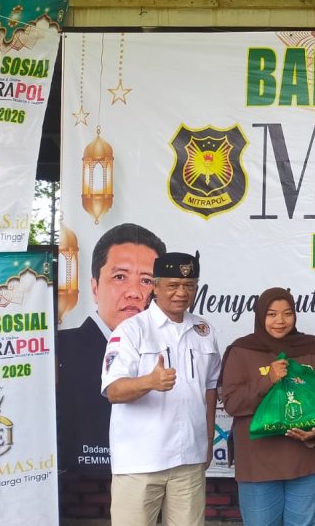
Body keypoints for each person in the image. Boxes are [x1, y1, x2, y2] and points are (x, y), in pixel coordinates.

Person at [101, 251, 221, 526]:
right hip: (140, 462)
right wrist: (149, 382)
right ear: (155, 286)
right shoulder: (131, 330)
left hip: (189, 460)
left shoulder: (204, 330)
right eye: (173, 285)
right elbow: (113, 391)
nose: (181, 293)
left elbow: (211, 387)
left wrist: (207, 440)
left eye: (189, 286)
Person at [219, 287, 315, 526]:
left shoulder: (314, 349)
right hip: (258, 462)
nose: (280, 321)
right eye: (272, 314)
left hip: (306, 460)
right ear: (260, 316)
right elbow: (232, 403)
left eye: (287, 313)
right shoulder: (242, 350)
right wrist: (268, 380)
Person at [56, 223, 165, 471]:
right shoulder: (60, 351)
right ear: (95, 287)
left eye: (146, 280)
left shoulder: (168, 349)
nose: (134, 293)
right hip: (82, 481)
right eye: (120, 277)